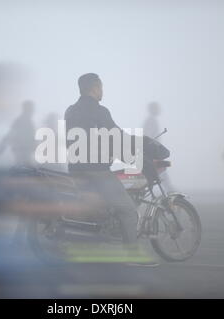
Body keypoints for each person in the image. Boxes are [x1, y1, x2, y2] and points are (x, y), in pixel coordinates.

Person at [64, 73, 156, 266]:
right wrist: (140, 147)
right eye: (101, 87)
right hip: (96, 171)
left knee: (98, 207)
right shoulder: (100, 111)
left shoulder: (70, 111)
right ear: (95, 88)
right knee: (128, 211)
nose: (102, 91)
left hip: (75, 169)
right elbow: (117, 136)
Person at [0, 100, 36, 166]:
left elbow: (32, 136)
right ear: (26, 109)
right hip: (21, 150)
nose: (32, 111)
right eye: (30, 109)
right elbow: (11, 134)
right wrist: (2, 145)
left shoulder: (29, 122)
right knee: (23, 166)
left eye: (31, 109)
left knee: (26, 167)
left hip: (26, 150)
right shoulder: (19, 121)